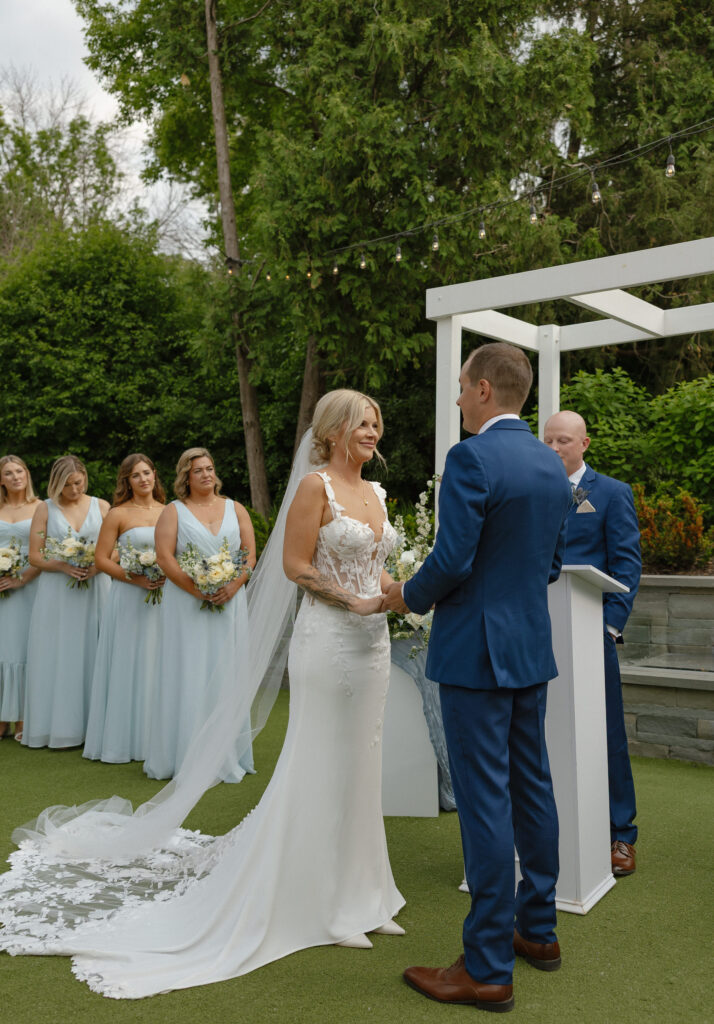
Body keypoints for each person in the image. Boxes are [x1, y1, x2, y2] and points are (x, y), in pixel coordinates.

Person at [0, 390, 404, 999]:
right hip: (329, 643)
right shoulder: (314, 487)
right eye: (362, 423)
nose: (372, 431)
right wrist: (357, 601)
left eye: (375, 423)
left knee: (363, 766)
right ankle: (323, 899)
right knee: (322, 764)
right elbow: (296, 565)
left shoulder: (374, 492)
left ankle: (367, 892)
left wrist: (402, 595)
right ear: (332, 431)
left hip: (374, 646)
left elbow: (375, 567)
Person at [383, 343, 570, 1014]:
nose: (459, 398)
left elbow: (453, 558)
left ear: (486, 389)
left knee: (485, 800)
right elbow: (552, 565)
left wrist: (404, 594)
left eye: (463, 387)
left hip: (474, 655)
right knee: (532, 786)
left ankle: (488, 967)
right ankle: (537, 931)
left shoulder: (470, 458)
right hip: (528, 649)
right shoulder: (551, 466)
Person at [544, 410, 641, 877]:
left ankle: (621, 833)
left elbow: (627, 565)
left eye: (563, 440)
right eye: (548, 440)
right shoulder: (534, 490)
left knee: (608, 736)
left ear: (584, 444)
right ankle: (553, 830)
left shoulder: (612, 493)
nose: (554, 448)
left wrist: (608, 627)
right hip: (539, 630)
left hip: (590, 634)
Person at [143, 447, 256, 782]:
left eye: (209, 468)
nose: (207, 474)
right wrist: (197, 590)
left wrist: (233, 586)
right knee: (189, 670)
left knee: (226, 671)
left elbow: (248, 555)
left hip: (230, 601)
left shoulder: (236, 508)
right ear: (186, 477)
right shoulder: (173, 511)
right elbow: (165, 557)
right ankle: (185, 753)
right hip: (187, 604)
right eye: (198, 470)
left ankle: (225, 752)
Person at [83, 454, 166, 764]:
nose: (143, 479)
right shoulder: (117, 514)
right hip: (129, 596)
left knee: (159, 658)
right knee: (130, 660)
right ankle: (125, 739)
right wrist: (135, 578)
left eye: (147, 472)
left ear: (155, 475)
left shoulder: (170, 511)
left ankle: (158, 737)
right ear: (127, 482)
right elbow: (101, 559)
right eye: (136, 475)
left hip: (165, 596)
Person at [22, 456, 110, 748]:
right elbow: (35, 555)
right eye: (68, 485)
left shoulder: (102, 506)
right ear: (56, 483)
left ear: (85, 477)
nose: (74, 489)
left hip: (96, 587)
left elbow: (116, 549)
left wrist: (96, 567)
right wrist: (62, 565)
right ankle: (61, 726)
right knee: (61, 652)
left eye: (78, 483)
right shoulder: (44, 509)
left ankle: (96, 726)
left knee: (96, 648)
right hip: (58, 591)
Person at [0, 456, 41, 742]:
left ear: (26, 474)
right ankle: (3, 717)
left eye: (19, 471)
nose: (15, 477)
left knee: (27, 646)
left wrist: (22, 578)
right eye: (8, 473)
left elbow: (47, 550)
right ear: (1, 480)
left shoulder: (41, 507)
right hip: (2, 587)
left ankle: (27, 716)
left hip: (31, 584)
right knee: (4, 646)